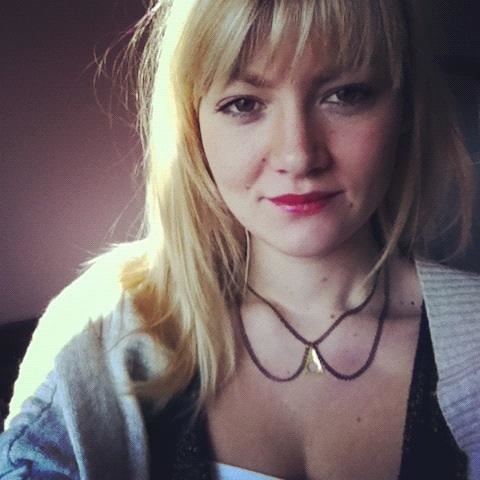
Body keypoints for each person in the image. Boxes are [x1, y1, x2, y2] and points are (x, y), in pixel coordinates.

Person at [1, 0, 479, 478]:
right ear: (193, 126)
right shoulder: (96, 330)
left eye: (345, 95)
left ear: (405, 111)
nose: (297, 155)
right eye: (244, 104)